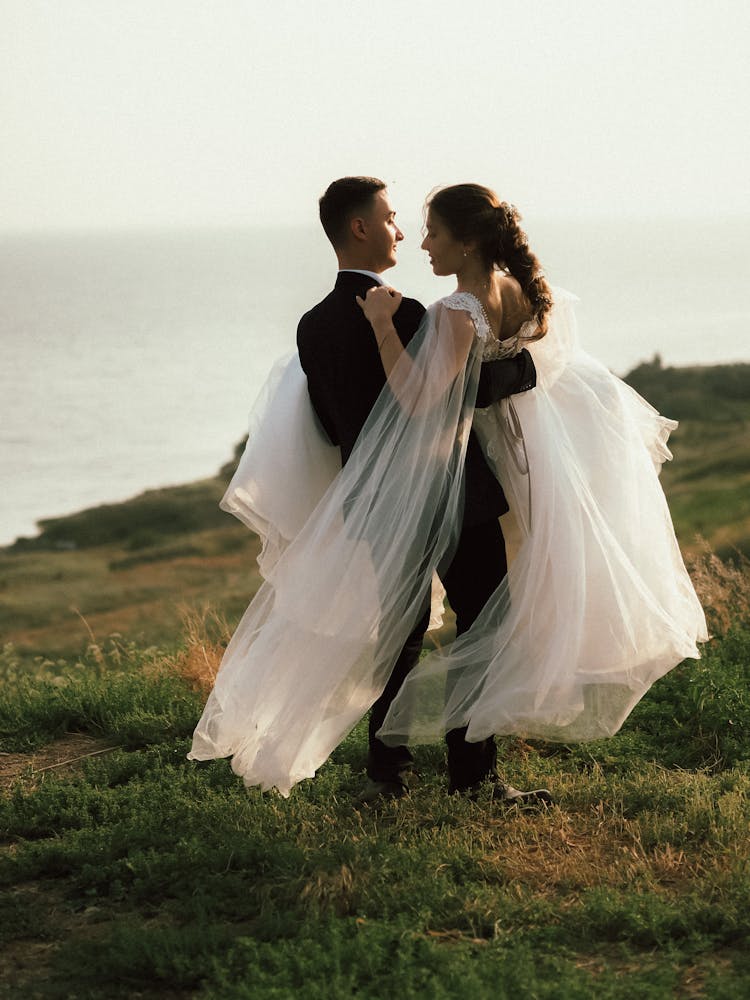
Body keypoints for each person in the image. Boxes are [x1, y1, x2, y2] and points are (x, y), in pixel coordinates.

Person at [356, 184, 707, 752]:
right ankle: (482, 746)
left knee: (488, 603)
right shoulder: (520, 290)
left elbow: (419, 403)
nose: (423, 244)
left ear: (467, 242)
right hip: (538, 450)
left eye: (435, 233)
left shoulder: (457, 311)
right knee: (517, 590)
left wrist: (381, 326)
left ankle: (454, 737)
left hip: (492, 460)